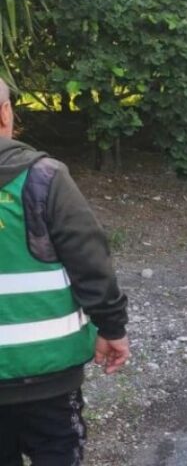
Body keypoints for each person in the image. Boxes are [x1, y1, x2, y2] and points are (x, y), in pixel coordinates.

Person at [0, 78, 130, 466]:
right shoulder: (45, 178)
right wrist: (112, 328)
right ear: (5, 113)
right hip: (48, 375)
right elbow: (91, 263)